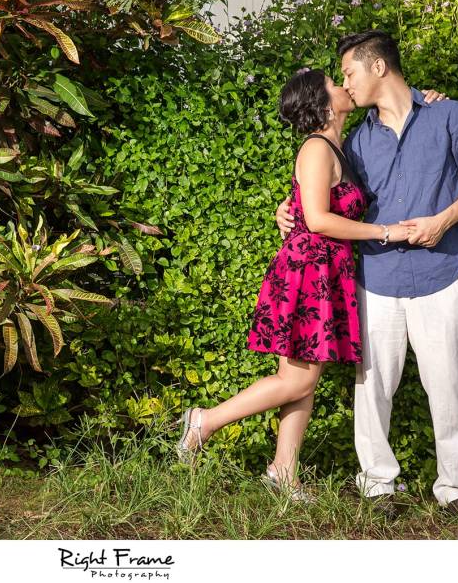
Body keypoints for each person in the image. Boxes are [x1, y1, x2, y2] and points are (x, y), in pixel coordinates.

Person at [174, 67, 444, 500]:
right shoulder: (318, 148)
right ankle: (203, 421)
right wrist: (385, 232)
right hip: (309, 271)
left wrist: (423, 98)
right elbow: (318, 219)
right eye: (336, 84)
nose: (345, 87)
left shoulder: (338, 146)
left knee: (303, 376)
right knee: (298, 379)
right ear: (321, 102)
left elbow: (308, 204)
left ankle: (284, 471)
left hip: (325, 270)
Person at [275, 31, 458, 518]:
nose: (346, 83)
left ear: (378, 68)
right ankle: (378, 486)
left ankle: (455, 489)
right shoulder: (356, 139)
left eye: (349, 72)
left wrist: (444, 220)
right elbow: (328, 191)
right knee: (373, 387)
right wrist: (288, 207)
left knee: (449, 384)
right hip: (377, 278)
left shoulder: (449, 115)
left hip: (443, 272)